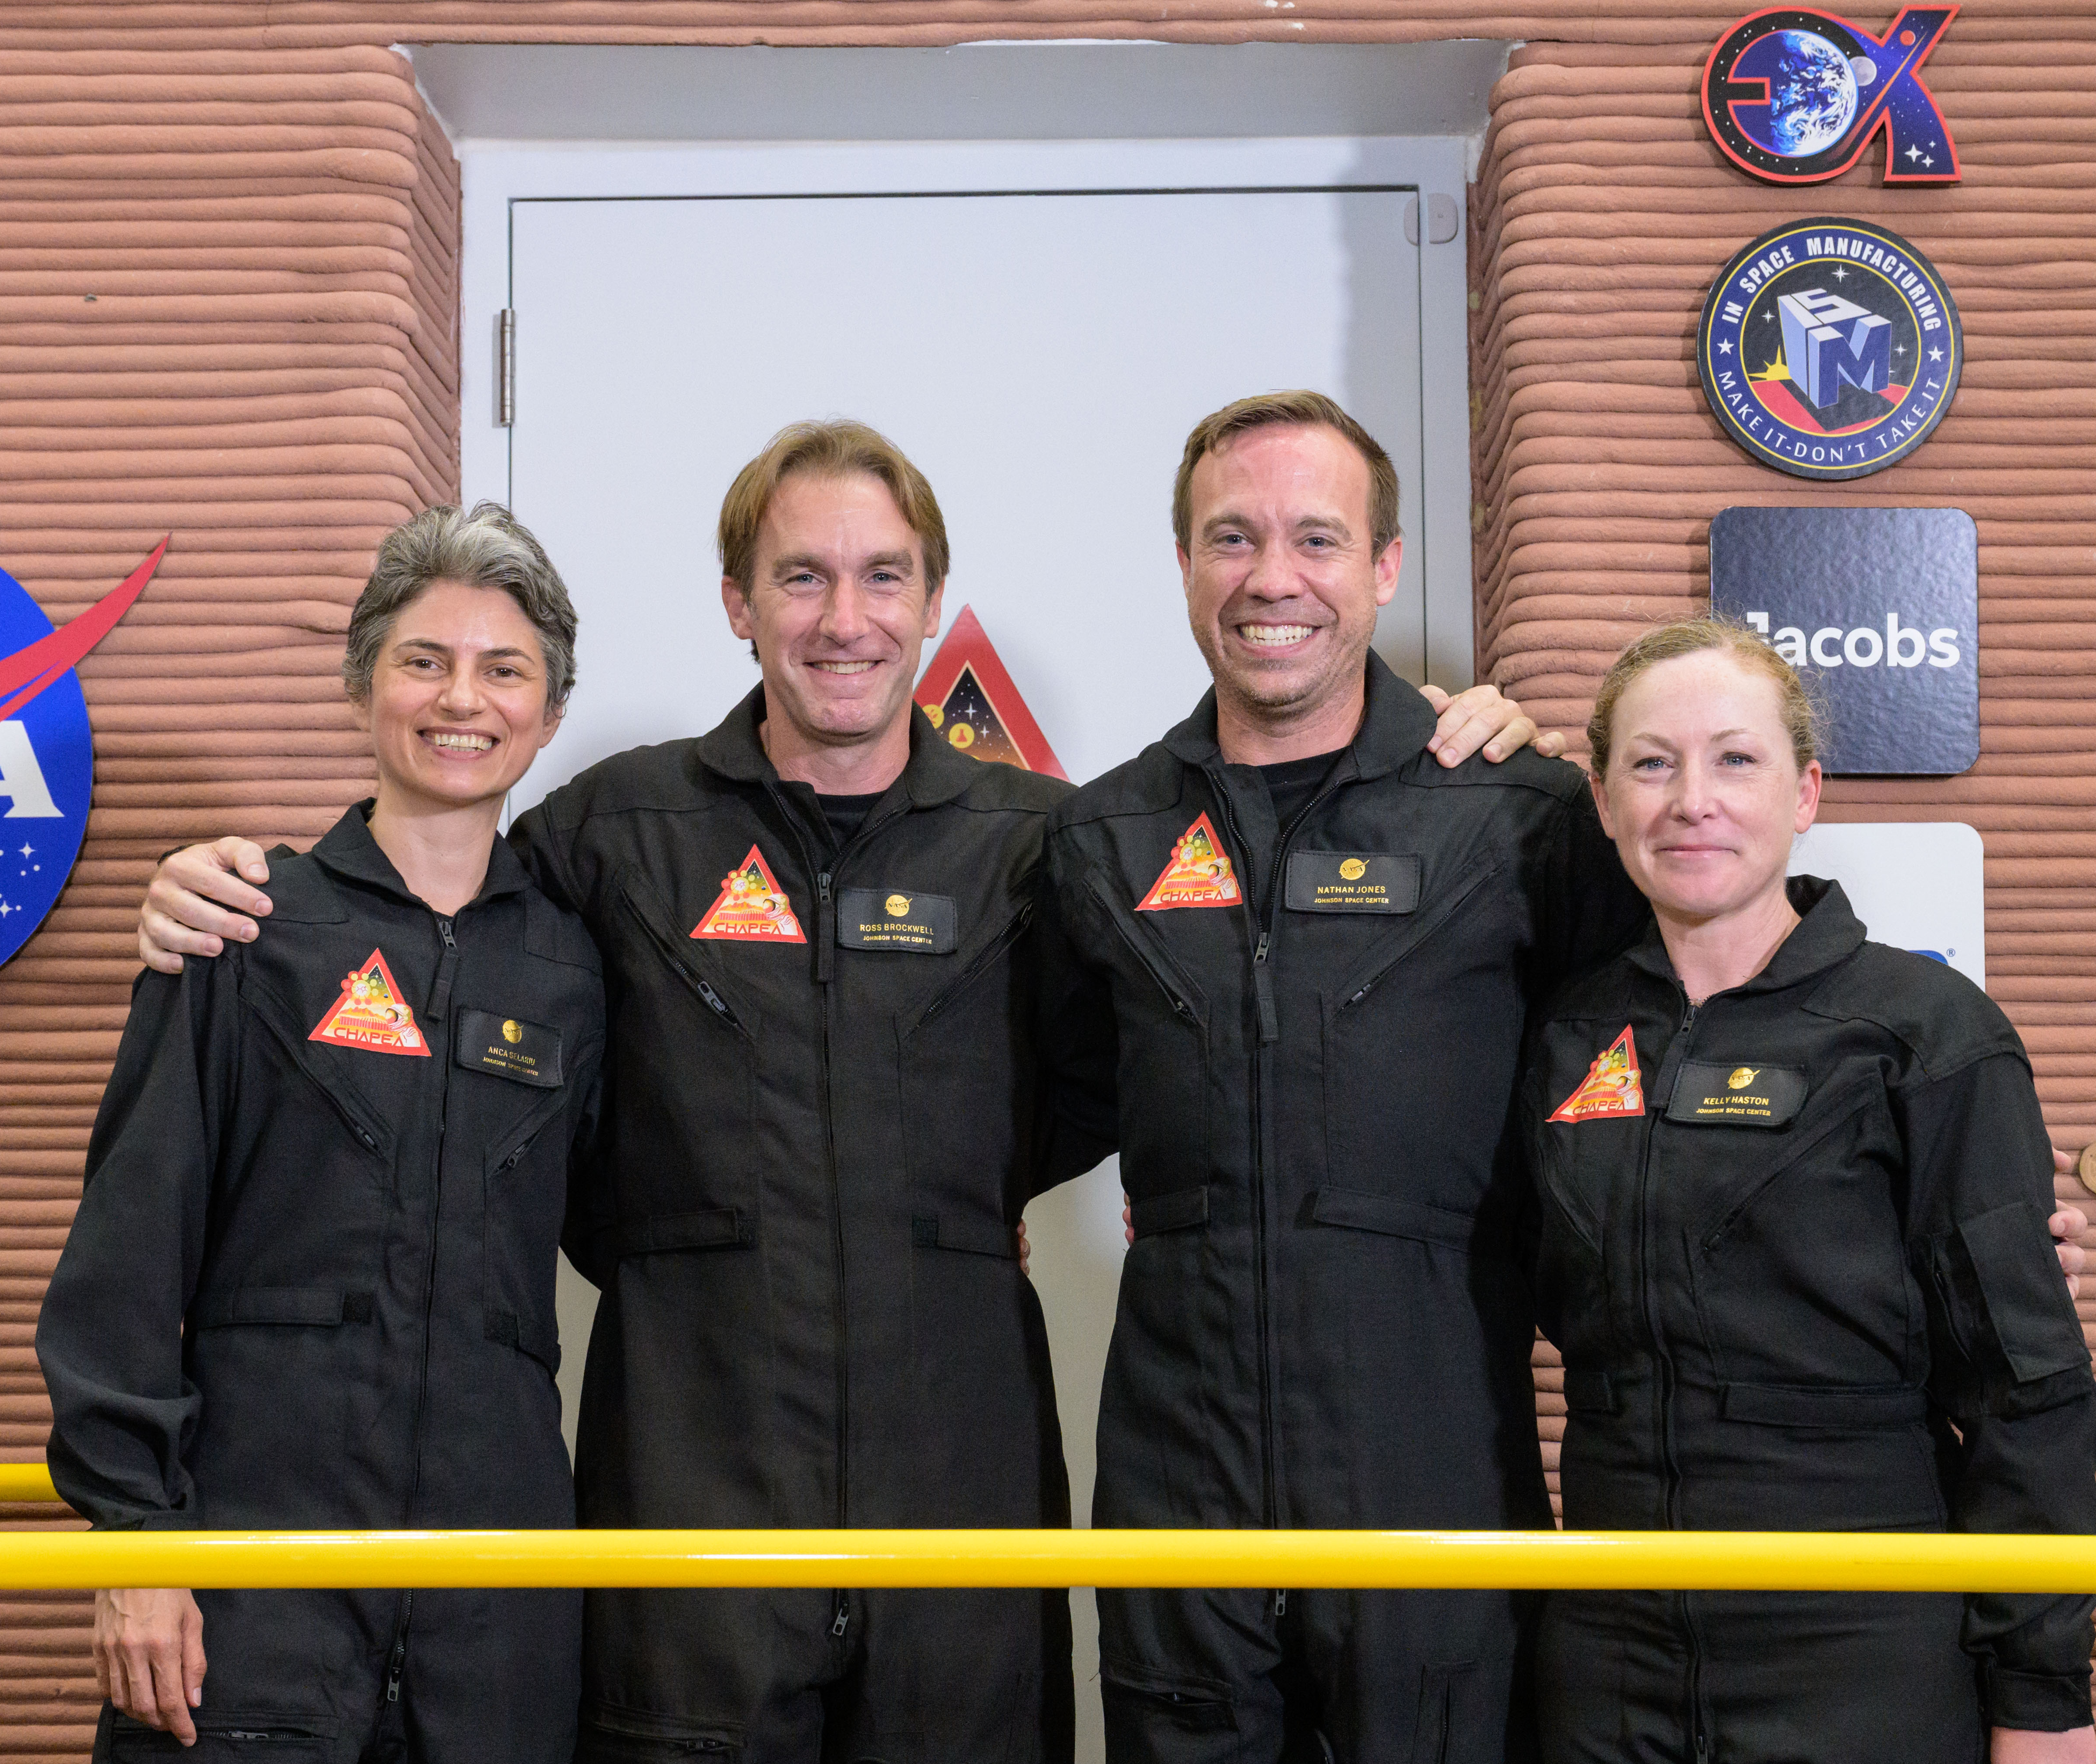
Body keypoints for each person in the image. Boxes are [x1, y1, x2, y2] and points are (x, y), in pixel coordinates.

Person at [127, 419, 1548, 1761]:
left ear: (934, 603)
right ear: (738, 604)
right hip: (691, 1490)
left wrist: (1486, 741)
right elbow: (444, 926)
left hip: (961, 1496)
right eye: (799, 576)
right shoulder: (616, 832)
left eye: (883, 576)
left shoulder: (1043, 845)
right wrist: (255, 890)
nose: (843, 617)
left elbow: (1152, 1064)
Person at [1040, 390, 2092, 1764]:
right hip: (1209, 1495)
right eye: (1231, 538)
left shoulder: (1517, 819)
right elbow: (1036, 1098)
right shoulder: (1100, 837)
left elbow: (1698, 1019)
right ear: (1183, 560)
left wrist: (1968, 1236)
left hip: (1470, 1493)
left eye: (1316, 535)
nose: (1273, 576)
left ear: (1386, 566)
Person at [36, 503, 606, 1761]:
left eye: (504, 669)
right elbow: (125, 1262)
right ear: (362, 686)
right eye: (425, 659)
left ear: (549, 715)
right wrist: (137, 1550)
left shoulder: (575, 973)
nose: (463, 698)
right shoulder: (246, 930)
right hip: (251, 1613)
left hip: (493, 1642)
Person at [1517, 617, 2096, 1764]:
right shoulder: (1558, 1038)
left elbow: (2023, 1395)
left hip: (1857, 1640)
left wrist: (2042, 1705)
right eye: (1651, 761)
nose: (1692, 798)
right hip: (1607, 1647)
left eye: (1735, 758)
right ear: (1600, 800)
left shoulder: (1926, 1035)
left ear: (1805, 791)